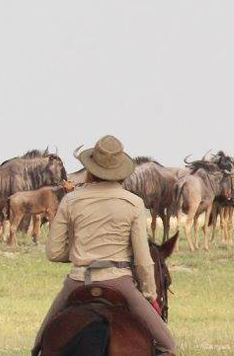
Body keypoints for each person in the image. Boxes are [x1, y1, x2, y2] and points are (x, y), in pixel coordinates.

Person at [32, 135, 177, 356]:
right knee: (168, 346)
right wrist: (149, 294)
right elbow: (143, 260)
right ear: (120, 171)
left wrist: (81, 254)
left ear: (90, 169)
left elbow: (54, 252)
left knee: (40, 346)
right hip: (120, 283)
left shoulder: (70, 201)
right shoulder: (134, 203)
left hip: (78, 281)